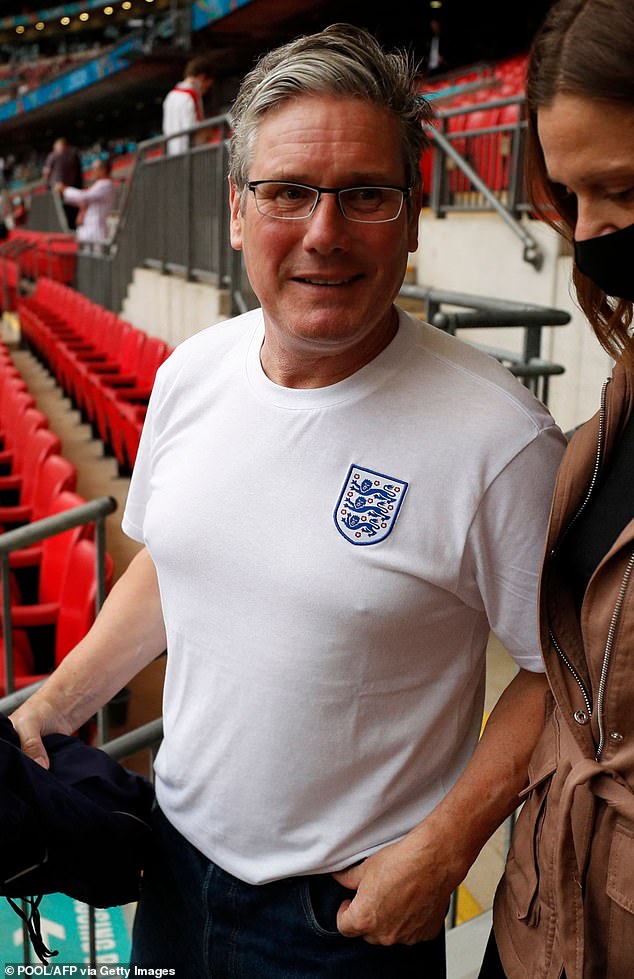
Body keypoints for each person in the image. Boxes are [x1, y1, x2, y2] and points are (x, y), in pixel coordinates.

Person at [10, 24, 566, 978]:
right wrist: (53, 706)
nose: (323, 231)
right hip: (170, 869)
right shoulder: (193, 375)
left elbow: (562, 671)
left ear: (413, 212)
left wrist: (443, 850)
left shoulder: (501, 439)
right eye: (288, 192)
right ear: (237, 210)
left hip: (343, 921)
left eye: (365, 195)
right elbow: (173, 568)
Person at [479, 2, 634, 977]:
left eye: (617, 189)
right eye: (569, 199)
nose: (591, 233)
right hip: (545, 915)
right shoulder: (621, 391)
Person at [162, 54, 215, 156]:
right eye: (207, 86)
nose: (205, 90)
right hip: (189, 155)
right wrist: (209, 133)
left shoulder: (170, 96)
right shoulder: (191, 96)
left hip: (172, 154)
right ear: (202, 77)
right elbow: (195, 131)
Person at [57, 157, 116, 246]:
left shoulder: (104, 185)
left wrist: (65, 190)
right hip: (90, 228)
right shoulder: (101, 185)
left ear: (103, 170)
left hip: (95, 230)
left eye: (95, 169)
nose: (93, 171)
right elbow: (83, 200)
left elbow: (83, 197)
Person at [42, 137, 83, 230]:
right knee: (72, 209)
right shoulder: (73, 155)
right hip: (71, 187)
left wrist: (47, 185)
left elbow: (46, 172)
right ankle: (74, 227)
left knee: (63, 211)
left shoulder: (53, 155)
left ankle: (69, 229)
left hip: (60, 189)